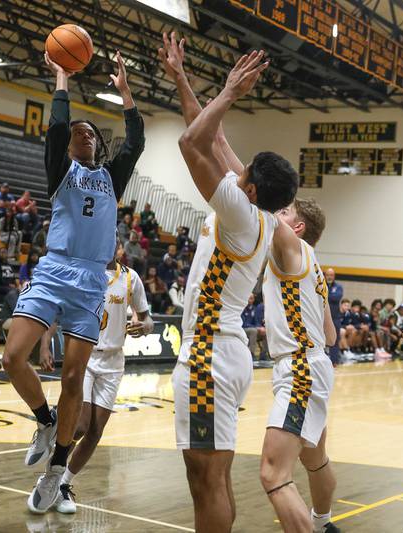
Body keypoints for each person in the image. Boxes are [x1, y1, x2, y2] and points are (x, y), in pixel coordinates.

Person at [159, 35, 295, 531]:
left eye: (244, 172)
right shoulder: (258, 212)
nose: (235, 168)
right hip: (223, 352)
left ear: (252, 187)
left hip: (209, 356)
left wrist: (232, 94)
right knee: (211, 478)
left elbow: (190, 142)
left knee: (208, 481)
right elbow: (211, 137)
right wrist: (180, 77)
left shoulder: (239, 212)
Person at [4, 49, 144, 513]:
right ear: (68, 146)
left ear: (95, 147)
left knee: (72, 378)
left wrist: (126, 95)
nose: (82, 134)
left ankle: (57, 470)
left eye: (89, 133)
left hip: (89, 281)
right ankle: (43, 422)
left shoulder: (111, 178)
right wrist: (62, 78)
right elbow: (58, 126)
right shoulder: (59, 171)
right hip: (53, 269)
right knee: (12, 356)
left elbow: (135, 143)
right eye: (77, 132)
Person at [258, 198, 340, 533]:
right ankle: (323, 523)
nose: (278, 212)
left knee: (272, 473)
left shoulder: (290, 247)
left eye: (286, 211)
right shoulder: (314, 266)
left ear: (298, 227)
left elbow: (258, 203)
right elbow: (331, 335)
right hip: (314, 364)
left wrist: (218, 145)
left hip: (299, 370)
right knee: (314, 459)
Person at [54, 249, 152, 514]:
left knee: (95, 432)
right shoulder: (86, 273)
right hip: (85, 354)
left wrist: (144, 327)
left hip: (113, 361)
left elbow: (146, 318)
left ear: (120, 248)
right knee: (80, 426)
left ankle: (63, 483)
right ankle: (52, 472)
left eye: (116, 242)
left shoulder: (131, 278)